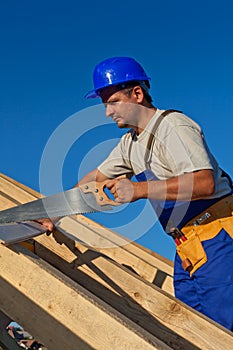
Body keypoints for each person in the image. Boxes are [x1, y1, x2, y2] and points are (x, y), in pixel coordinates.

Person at [42, 56, 233, 330]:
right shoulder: (129, 144)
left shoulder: (173, 125)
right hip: (187, 251)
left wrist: (139, 189)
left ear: (138, 94)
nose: (107, 112)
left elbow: (204, 183)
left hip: (218, 240)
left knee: (226, 330)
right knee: (197, 334)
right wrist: (54, 213)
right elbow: (95, 178)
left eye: (112, 102)